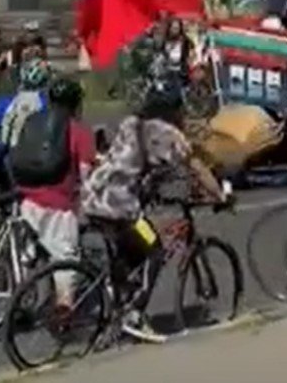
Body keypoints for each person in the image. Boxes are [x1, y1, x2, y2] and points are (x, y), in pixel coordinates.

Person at [79, 76, 233, 343]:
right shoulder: (167, 134)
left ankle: (119, 302)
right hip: (120, 208)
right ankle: (134, 315)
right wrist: (219, 195)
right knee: (154, 249)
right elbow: (195, 167)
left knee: (128, 251)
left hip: (90, 199)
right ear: (175, 109)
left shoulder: (130, 124)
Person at [14, 75, 96, 312]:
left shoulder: (34, 121)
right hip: (58, 207)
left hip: (26, 199)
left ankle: (20, 302)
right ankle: (64, 309)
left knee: (27, 256)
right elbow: (86, 177)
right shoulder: (79, 132)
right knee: (65, 260)